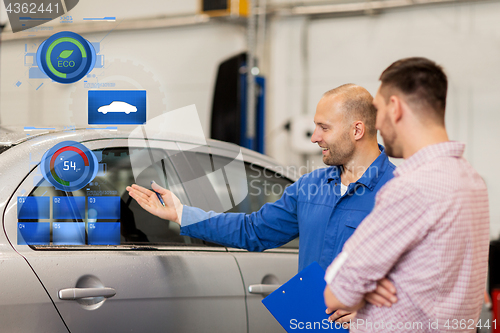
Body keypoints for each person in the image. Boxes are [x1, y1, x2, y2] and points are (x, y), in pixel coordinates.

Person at [127, 84, 397, 326]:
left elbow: (426, 274)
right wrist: (183, 214)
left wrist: (373, 312)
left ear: (357, 130)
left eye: (324, 128)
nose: (315, 137)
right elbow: (253, 230)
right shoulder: (309, 187)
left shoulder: (399, 191)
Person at [323, 58, 490, 332]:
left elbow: (338, 291)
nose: (376, 123)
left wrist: (364, 286)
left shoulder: (412, 187)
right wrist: (374, 283)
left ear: (395, 108)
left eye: (377, 110)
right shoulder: (471, 181)